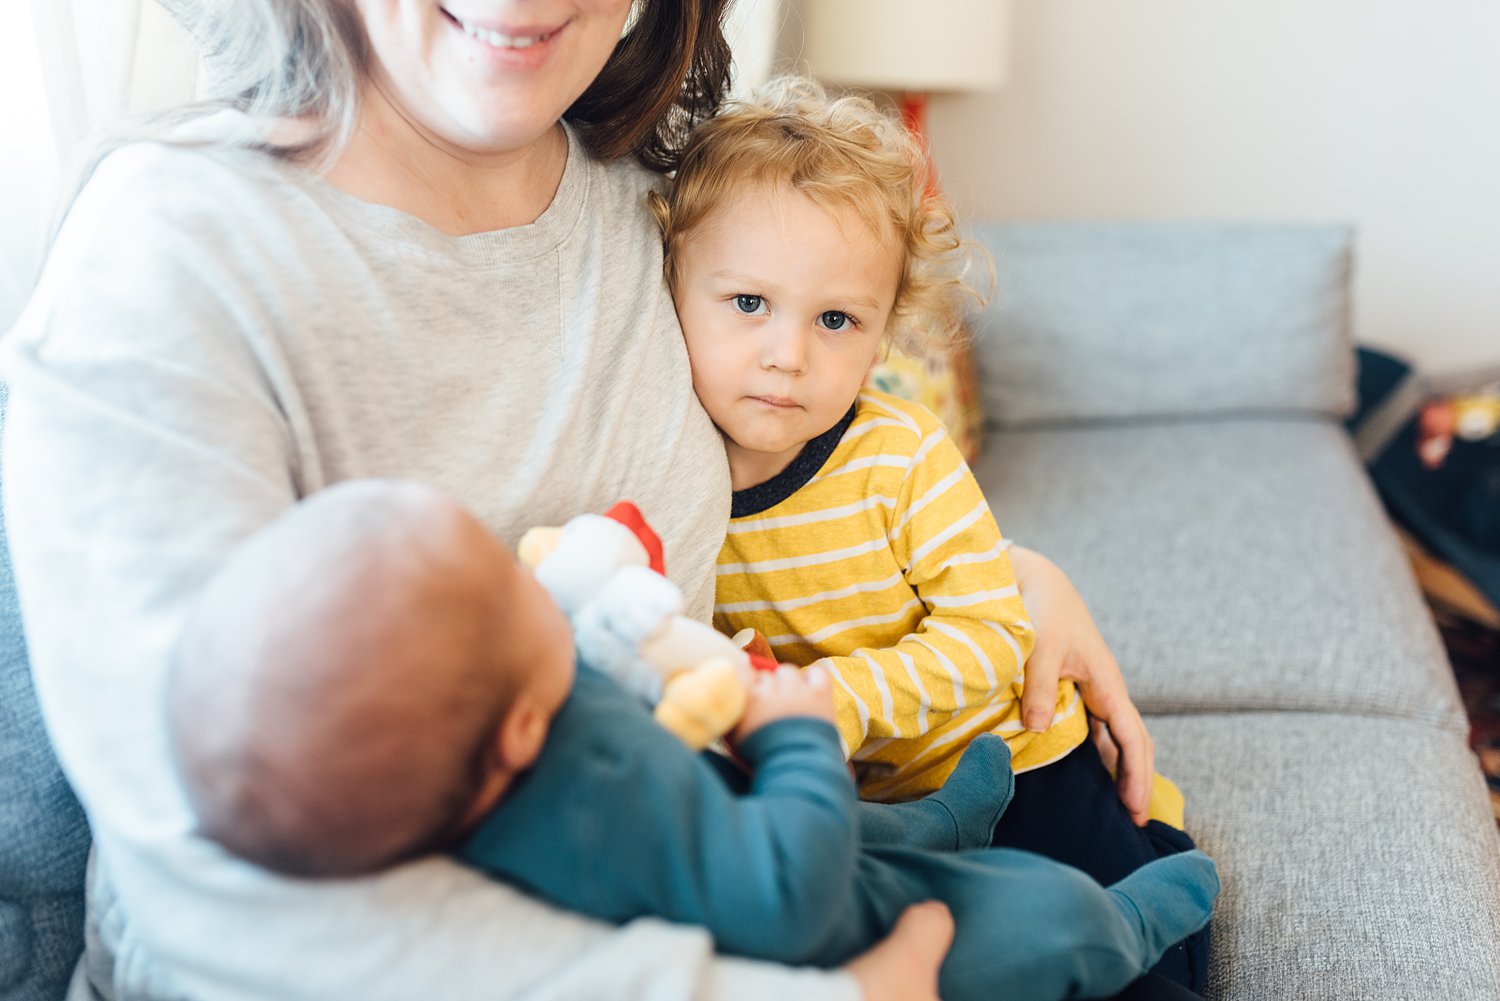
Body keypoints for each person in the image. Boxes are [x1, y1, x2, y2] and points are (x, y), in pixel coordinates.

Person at [2, 1, 1159, 997]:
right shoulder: (167, 251)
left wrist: (1000, 573)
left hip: (729, 884)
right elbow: (217, 888)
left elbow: (809, 450)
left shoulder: (655, 195)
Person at [166, 478, 1219, 1001]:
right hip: (843, 921)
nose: (520, 571)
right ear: (524, 727)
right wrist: (801, 738)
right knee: (1051, 913)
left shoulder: (470, 750)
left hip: (818, 841)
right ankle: (1155, 903)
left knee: (892, 826)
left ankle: (951, 811)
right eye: (508, 589)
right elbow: (782, 887)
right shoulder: (603, 810)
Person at [653, 78, 1209, 993]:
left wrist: (844, 694)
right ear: (674, 282)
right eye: (748, 302)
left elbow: (994, 634)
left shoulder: (899, 453)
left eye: (836, 320)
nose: (787, 354)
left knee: (1144, 956)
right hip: (879, 813)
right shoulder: (671, 472)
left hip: (1019, 758)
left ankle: (1153, 841)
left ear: (880, 337)